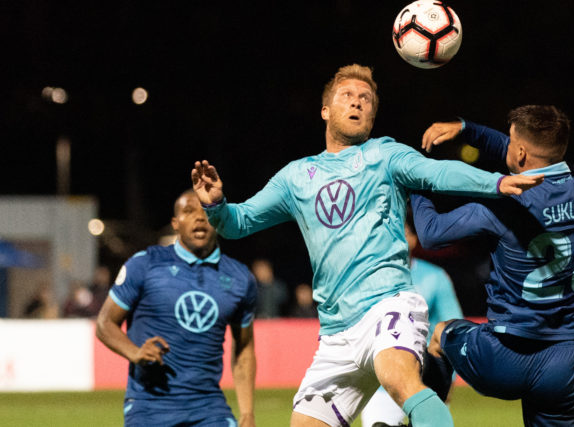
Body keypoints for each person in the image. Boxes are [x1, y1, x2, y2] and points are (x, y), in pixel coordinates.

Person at [191, 64, 543, 427]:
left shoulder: (385, 155)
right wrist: (216, 205)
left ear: (372, 117)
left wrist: (495, 183)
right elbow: (239, 222)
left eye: (366, 99)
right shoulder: (295, 177)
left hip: (388, 304)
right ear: (326, 110)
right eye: (347, 96)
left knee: (398, 378)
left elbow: (436, 173)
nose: (357, 102)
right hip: (335, 332)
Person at [411, 105, 574, 426]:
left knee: (441, 334)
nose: (505, 146)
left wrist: (416, 180)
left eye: (510, 141)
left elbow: (431, 233)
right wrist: (467, 129)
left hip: (505, 355)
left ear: (521, 151)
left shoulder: (506, 205)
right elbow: (521, 154)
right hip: (563, 362)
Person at [95, 190, 258, 427]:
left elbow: (244, 347)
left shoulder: (240, 278)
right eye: (189, 211)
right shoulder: (145, 264)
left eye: (206, 211)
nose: (200, 218)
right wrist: (134, 352)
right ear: (175, 224)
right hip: (149, 406)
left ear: (218, 220)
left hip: (209, 408)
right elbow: (104, 323)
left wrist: (247, 413)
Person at [360, 220, 463, 427]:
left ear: (414, 239)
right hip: (379, 385)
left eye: (405, 231)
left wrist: (447, 381)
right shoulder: (367, 278)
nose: (398, 236)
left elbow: (451, 328)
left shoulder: (435, 277)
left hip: (426, 382)